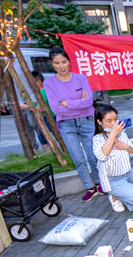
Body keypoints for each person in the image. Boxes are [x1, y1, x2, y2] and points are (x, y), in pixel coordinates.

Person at [44, 46, 104, 202]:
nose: (61, 66)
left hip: (86, 121)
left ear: (69, 61)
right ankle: (89, 187)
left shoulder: (80, 78)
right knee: (78, 158)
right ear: (52, 64)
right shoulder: (49, 83)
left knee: (93, 155)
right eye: (57, 63)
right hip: (66, 125)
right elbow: (56, 109)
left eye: (64, 62)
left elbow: (89, 101)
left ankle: (99, 183)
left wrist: (67, 103)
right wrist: (78, 102)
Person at [92, 105, 133, 212]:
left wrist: (126, 147)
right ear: (99, 122)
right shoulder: (97, 139)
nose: (114, 123)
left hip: (128, 173)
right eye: (109, 121)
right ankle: (114, 197)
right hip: (113, 180)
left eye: (116, 119)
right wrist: (112, 135)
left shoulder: (122, 134)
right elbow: (102, 156)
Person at [30, 70, 57, 153]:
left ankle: (50, 153)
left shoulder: (42, 92)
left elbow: (40, 108)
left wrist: (28, 106)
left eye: (32, 82)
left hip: (50, 117)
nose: (31, 85)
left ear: (38, 82)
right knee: (52, 135)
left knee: (42, 136)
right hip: (52, 116)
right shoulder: (46, 90)